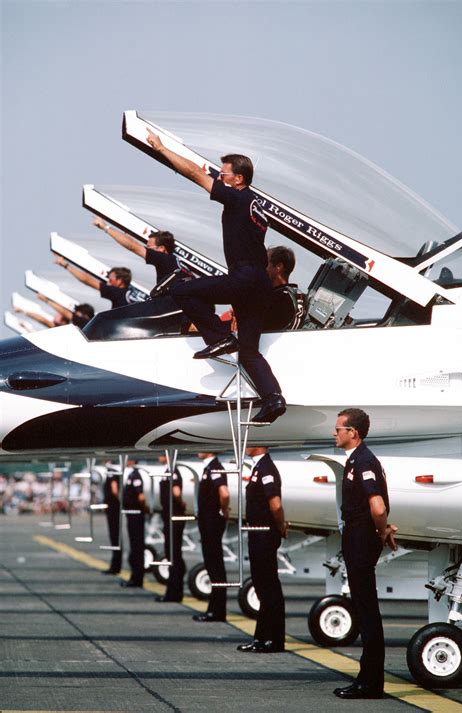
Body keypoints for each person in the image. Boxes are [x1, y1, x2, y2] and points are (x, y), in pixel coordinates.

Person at [146, 129, 286, 425]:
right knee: (249, 352)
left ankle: (221, 338)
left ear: (239, 179)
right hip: (259, 282)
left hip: (244, 276)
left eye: (224, 174)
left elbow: (196, 173)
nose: (219, 178)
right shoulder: (254, 203)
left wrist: (161, 148)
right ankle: (273, 399)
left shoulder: (237, 198)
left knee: (184, 291)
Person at [332, 408, 398, 700]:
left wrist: (381, 530)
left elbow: (378, 507)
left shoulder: (364, 461)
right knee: (363, 609)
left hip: (360, 540)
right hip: (356, 538)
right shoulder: (356, 461)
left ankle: (371, 683)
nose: (334, 434)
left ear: (352, 433)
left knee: (367, 611)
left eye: (338, 429)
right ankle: (366, 678)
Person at [237, 446, 287, 653]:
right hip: (257, 532)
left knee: (268, 586)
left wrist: (281, 526)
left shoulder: (266, 468)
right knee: (261, 585)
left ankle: (274, 640)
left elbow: (275, 504)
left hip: (265, 533)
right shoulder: (259, 467)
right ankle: (261, 637)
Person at [221, 246, 306, 332]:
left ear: (279, 267)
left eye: (265, 263)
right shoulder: (294, 295)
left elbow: (250, 327)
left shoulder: (281, 299)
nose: (261, 268)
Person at [192, 452, 229, 623]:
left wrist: (223, 511)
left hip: (212, 522)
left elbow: (224, 493)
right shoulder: (209, 468)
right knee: (212, 564)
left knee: (215, 565)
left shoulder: (215, 468)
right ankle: (214, 609)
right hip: (208, 523)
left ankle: (217, 610)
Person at [93, 218, 181, 288]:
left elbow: (132, 246)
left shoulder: (163, 258)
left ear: (161, 248)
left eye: (149, 247)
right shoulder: (174, 260)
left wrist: (105, 227)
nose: (147, 249)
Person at [155, 454, 186, 603]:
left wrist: (180, 504)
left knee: (173, 554)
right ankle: (173, 590)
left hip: (173, 515)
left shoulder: (172, 471)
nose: (159, 456)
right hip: (170, 515)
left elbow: (176, 492)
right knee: (172, 553)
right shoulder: (169, 470)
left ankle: (174, 592)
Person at [54, 255, 134, 309]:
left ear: (120, 281)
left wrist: (65, 265)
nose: (108, 283)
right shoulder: (130, 294)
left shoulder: (116, 292)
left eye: (110, 280)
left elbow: (86, 280)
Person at [121, 459, 147, 588]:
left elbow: (140, 496)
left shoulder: (135, 475)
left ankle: (137, 578)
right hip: (132, 515)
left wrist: (143, 508)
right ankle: (135, 576)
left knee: (137, 547)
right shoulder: (132, 475)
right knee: (135, 547)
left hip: (136, 515)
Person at [102, 464, 122, 575]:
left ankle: (115, 566)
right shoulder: (112, 471)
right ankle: (115, 565)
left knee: (115, 537)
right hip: (113, 508)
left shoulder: (111, 472)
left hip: (113, 508)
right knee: (115, 537)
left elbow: (114, 490)